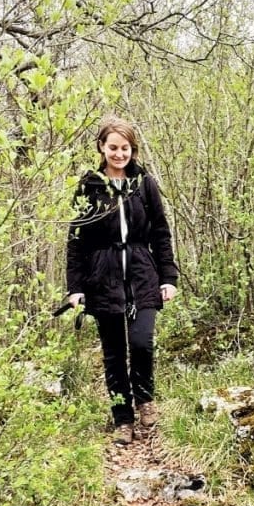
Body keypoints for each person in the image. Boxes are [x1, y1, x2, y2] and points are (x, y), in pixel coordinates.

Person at [66, 116, 179, 446]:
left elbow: (161, 233)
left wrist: (168, 277)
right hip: (103, 279)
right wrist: (76, 287)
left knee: (142, 343)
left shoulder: (145, 184)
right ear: (101, 147)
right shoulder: (89, 186)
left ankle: (145, 402)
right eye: (113, 147)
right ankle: (123, 419)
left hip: (143, 275)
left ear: (133, 149)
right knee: (114, 354)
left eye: (125, 148)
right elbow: (76, 241)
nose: (119, 154)